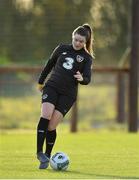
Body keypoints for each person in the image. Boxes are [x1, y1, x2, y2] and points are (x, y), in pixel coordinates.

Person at [36, 23, 94, 169]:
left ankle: (48, 156)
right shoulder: (61, 48)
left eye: (81, 41)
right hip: (52, 86)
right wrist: (40, 82)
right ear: (72, 37)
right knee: (46, 115)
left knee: (52, 125)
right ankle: (39, 152)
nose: (78, 43)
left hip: (68, 94)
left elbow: (87, 78)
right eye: (76, 39)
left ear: (85, 42)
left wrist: (83, 79)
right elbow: (49, 64)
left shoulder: (87, 58)